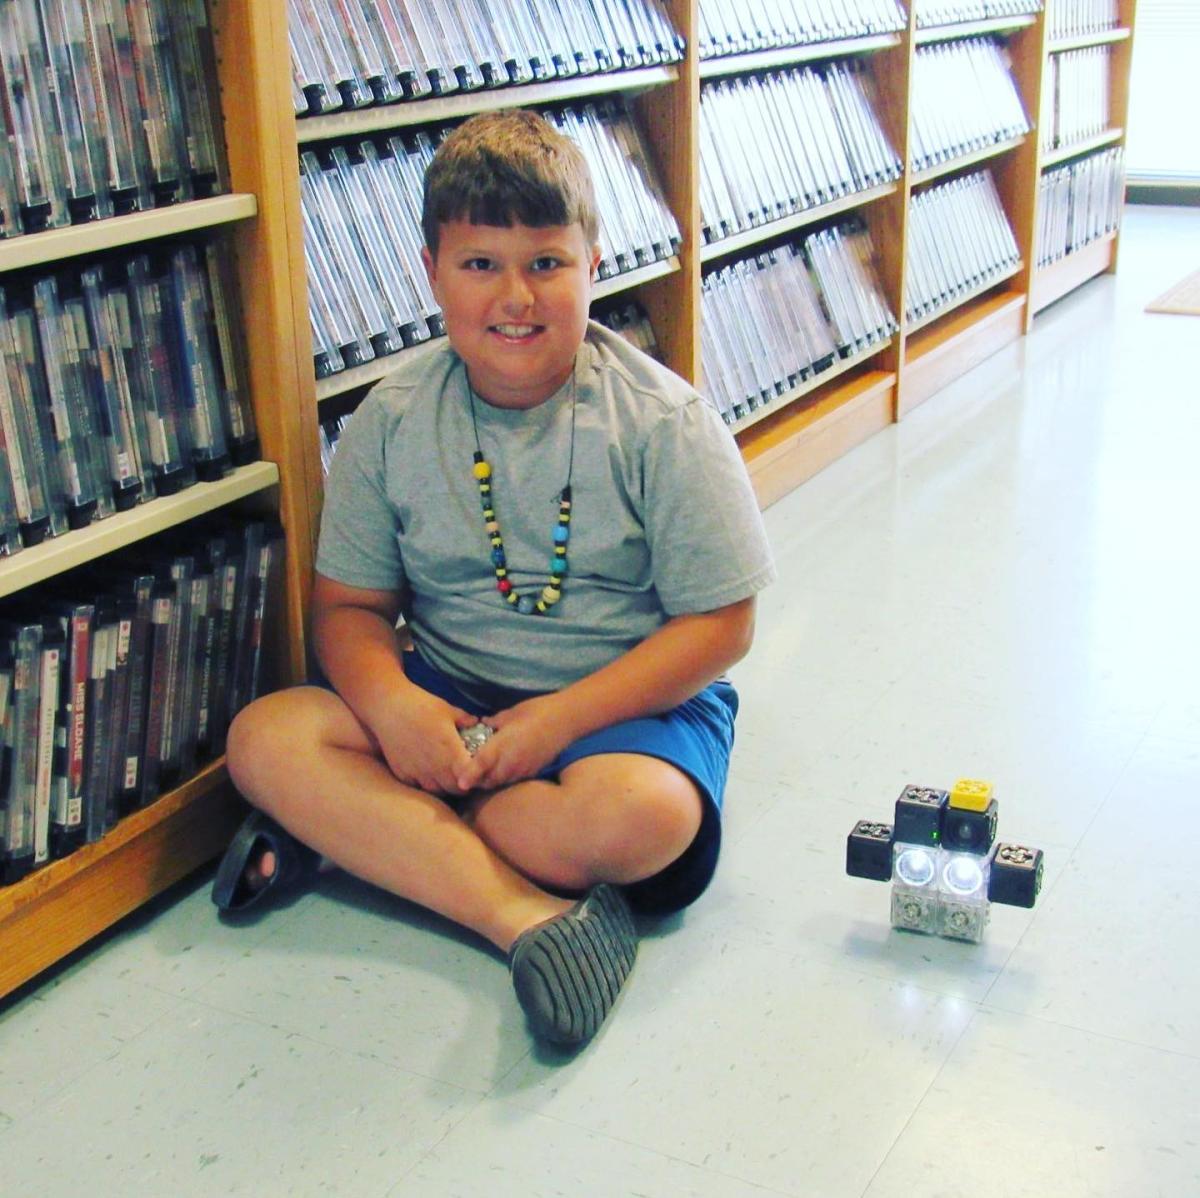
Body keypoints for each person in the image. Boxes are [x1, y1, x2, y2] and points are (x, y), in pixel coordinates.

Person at [215, 108, 775, 1047]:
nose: (515, 296)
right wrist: (394, 708)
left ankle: (374, 836)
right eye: (480, 265)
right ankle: (526, 918)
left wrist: (552, 723)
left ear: (594, 262)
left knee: (643, 822)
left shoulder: (666, 426)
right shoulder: (389, 421)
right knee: (265, 739)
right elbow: (351, 610)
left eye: (547, 263)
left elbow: (721, 627)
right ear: (431, 272)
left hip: (619, 707)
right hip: (445, 693)